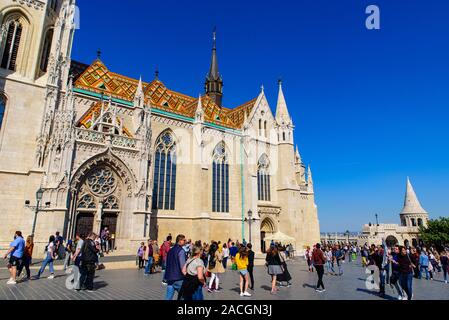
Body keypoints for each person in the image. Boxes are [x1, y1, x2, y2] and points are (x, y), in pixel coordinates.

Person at [164, 234, 187, 300]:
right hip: (178, 278)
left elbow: (166, 263)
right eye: (184, 240)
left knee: (168, 297)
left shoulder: (171, 250)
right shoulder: (181, 251)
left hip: (170, 278)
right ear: (180, 241)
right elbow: (182, 265)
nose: (185, 241)